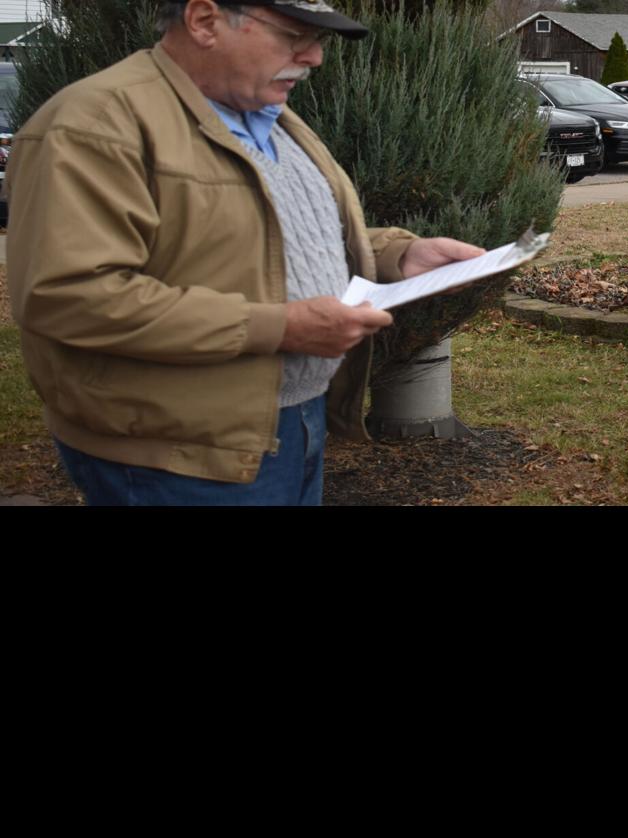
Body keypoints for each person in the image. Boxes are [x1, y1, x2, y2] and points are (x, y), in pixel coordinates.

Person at [5, 0, 484, 505]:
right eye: (294, 35)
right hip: (176, 453)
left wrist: (397, 255)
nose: (315, 57)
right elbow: (69, 296)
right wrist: (280, 326)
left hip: (291, 421)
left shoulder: (265, 115)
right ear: (204, 21)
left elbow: (272, 236)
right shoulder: (94, 125)